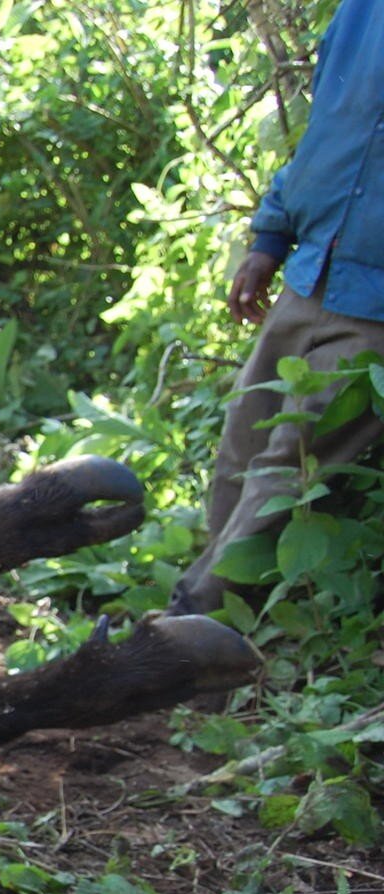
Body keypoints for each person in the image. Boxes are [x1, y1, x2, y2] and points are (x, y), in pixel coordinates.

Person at [169, 0, 384, 617]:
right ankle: (211, 633)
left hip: (376, 308)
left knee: (289, 464)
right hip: (310, 273)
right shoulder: (360, 15)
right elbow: (328, 136)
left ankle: (191, 627)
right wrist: (269, 238)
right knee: (241, 447)